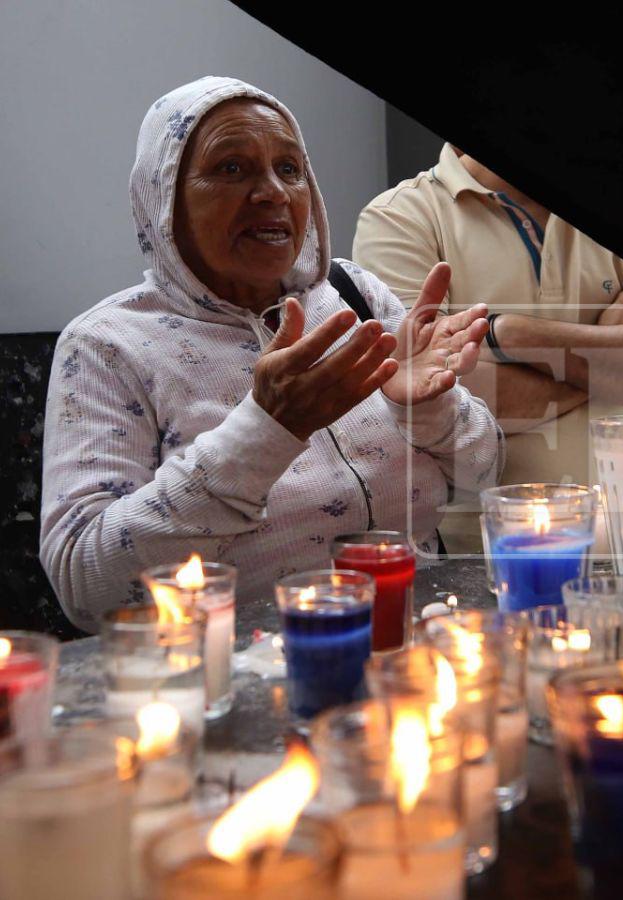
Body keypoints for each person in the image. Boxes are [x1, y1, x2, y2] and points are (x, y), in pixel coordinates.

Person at [39, 77, 502, 631]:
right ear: (163, 198)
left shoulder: (354, 294)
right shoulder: (108, 345)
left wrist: (428, 410)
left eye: (289, 168)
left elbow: (484, 473)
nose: (274, 193)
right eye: (231, 167)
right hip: (241, 666)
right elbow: (86, 588)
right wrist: (266, 431)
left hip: (414, 647)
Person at [354, 144, 623, 551]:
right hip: (484, 552)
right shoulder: (399, 218)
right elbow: (442, 398)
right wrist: (613, 347)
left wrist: (518, 335)